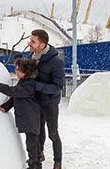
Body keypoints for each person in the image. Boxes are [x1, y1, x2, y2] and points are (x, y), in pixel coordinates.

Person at [0, 58, 42, 169]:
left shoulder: (30, 85)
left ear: (26, 72)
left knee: (32, 144)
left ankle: (34, 166)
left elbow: (11, 91)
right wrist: (5, 107)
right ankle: (36, 163)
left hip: (31, 117)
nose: (16, 71)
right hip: (28, 116)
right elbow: (15, 95)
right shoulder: (24, 81)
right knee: (32, 143)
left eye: (18, 70)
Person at [27, 29, 65, 169]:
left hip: (50, 103)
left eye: (33, 41)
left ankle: (58, 162)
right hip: (36, 101)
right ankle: (40, 153)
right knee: (38, 131)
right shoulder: (32, 56)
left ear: (42, 45)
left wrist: (36, 86)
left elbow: (57, 87)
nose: (29, 43)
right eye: (30, 40)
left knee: (53, 133)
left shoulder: (56, 62)